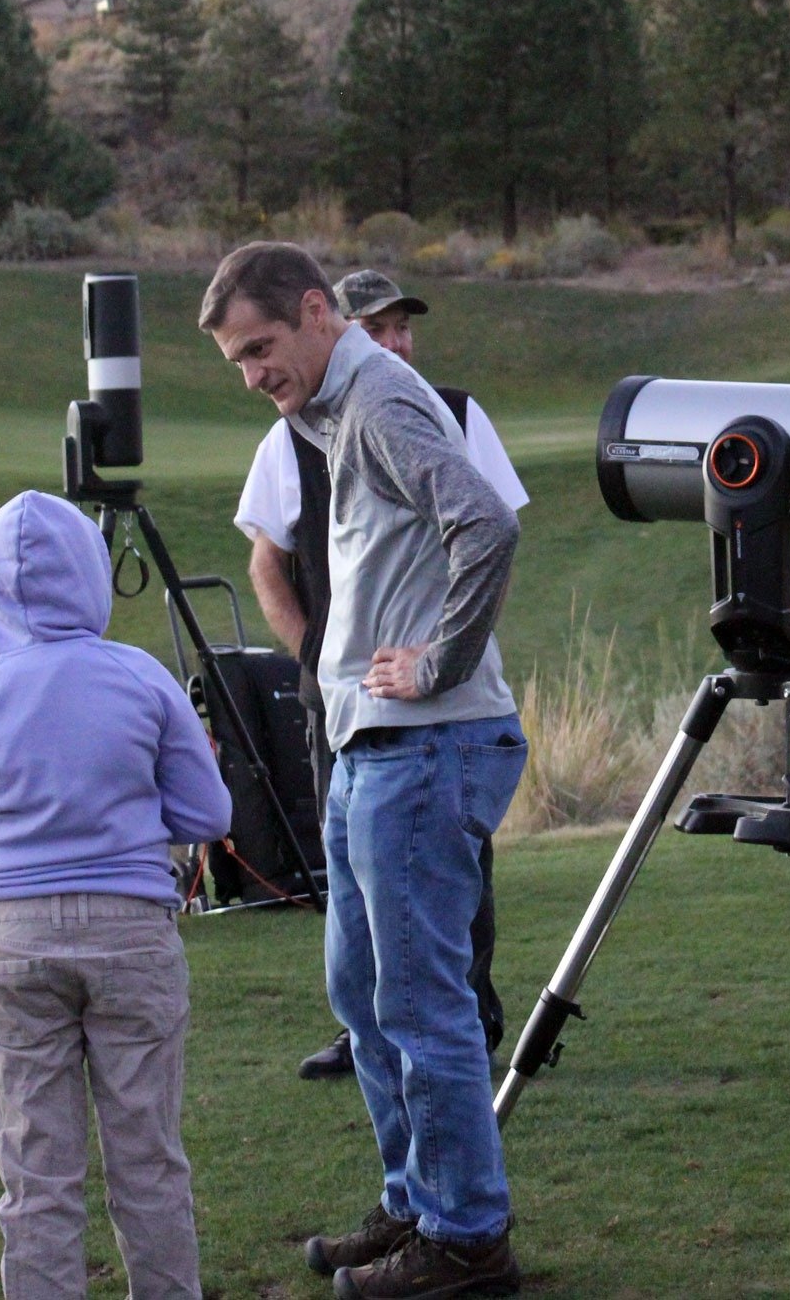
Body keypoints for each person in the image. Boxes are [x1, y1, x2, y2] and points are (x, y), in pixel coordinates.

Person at [202, 244, 526, 1300]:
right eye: (235, 360)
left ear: (311, 311)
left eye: (260, 346)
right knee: (359, 986)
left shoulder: (380, 397)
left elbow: (484, 521)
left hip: (426, 741)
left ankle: (467, 1238)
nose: (251, 371)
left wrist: (440, 658)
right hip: (367, 743)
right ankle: (415, 1203)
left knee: (420, 996)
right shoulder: (323, 413)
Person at [0, 489, 234, 1300]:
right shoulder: (140, 675)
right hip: (132, 931)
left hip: (13, 942)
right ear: (91, 576)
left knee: (35, 1172)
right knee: (148, 1160)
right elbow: (210, 811)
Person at [234, 269, 527, 1081]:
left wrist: (446, 657)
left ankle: (472, 1023)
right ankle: (409, 1127)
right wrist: (318, 661)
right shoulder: (298, 425)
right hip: (354, 706)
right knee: (368, 948)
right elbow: (268, 560)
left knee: (436, 936)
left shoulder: (422, 407)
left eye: (404, 326)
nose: (396, 341)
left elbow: (490, 531)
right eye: (382, 325)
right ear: (337, 324)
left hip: (426, 715)